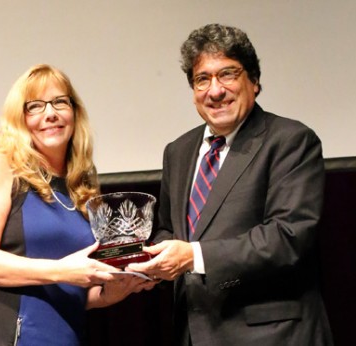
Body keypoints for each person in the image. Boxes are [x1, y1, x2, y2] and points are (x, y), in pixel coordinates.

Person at [128, 24, 334, 345]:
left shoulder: (291, 141)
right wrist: (143, 260)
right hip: (195, 333)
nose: (215, 90)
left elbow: (287, 237)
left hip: (273, 336)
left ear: (254, 82)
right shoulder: (178, 151)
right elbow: (170, 230)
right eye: (202, 79)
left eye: (227, 74)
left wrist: (192, 256)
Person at [0, 64, 150, 345]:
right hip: (4, 333)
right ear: (19, 119)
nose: (51, 114)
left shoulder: (80, 188)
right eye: (35, 106)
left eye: (60, 102)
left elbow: (68, 287)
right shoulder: (1, 166)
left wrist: (107, 294)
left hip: (61, 334)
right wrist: (63, 270)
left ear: (74, 112)